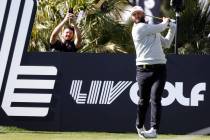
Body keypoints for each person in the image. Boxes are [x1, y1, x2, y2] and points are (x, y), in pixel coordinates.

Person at [130, 6, 176, 138]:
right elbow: (161, 26)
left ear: (144, 14)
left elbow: (166, 43)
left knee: (156, 99)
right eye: (134, 14)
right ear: (133, 18)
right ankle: (139, 124)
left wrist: (172, 29)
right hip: (143, 70)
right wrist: (167, 22)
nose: (137, 15)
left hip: (160, 68)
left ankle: (154, 130)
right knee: (143, 100)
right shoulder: (139, 28)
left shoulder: (152, 30)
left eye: (139, 13)